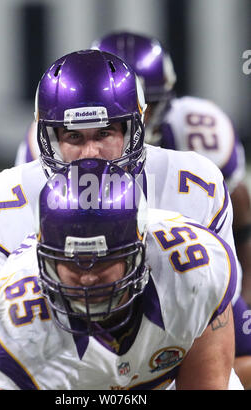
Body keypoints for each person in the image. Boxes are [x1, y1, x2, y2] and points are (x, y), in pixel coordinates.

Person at [0, 49, 238, 387]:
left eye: (104, 134)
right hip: (61, 364)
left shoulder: (193, 183)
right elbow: (20, 329)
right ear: (48, 136)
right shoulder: (6, 201)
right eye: (74, 136)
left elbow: (208, 304)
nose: (90, 153)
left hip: (166, 355)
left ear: (135, 128)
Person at [0, 159, 242, 390]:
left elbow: (207, 382)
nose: (89, 277)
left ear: (139, 252)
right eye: (74, 262)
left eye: (103, 261)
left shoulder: (194, 271)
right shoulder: (16, 323)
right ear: (46, 260)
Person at [91, 31, 251, 389]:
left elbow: (238, 198)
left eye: (151, 107)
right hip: (91, 279)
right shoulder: (52, 147)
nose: (140, 124)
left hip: (187, 271)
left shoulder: (198, 136)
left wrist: (245, 282)